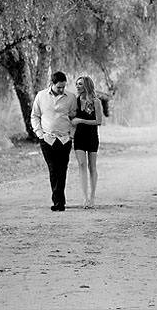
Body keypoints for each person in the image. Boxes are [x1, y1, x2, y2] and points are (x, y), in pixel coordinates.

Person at [31, 71, 76, 211]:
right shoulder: (41, 96)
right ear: (52, 84)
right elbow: (35, 116)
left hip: (64, 139)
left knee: (62, 169)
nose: (62, 90)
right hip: (47, 139)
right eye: (59, 87)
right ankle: (58, 200)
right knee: (53, 169)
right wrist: (39, 134)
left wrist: (71, 136)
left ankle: (59, 202)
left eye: (63, 87)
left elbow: (74, 118)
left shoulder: (71, 98)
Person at [72, 75, 104, 209]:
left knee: (92, 166)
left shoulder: (96, 102)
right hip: (79, 136)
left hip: (91, 136)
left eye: (80, 84)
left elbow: (99, 121)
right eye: (77, 84)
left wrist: (81, 120)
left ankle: (92, 196)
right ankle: (85, 197)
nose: (78, 86)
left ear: (87, 85)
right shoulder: (75, 101)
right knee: (81, 164)